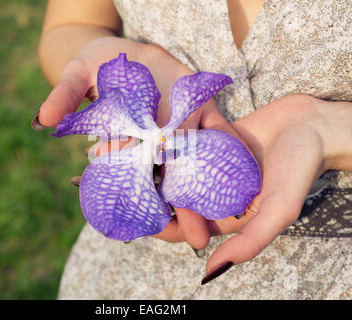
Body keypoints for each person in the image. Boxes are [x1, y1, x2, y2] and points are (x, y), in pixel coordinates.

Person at [33, 0, 352, 298]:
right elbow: (72, 23)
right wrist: (99, 60)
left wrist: (331, 127)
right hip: (127, 279)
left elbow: (231, 180)